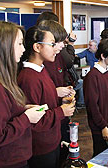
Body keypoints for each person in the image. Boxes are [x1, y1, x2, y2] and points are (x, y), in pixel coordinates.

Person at [0, 21, 46, 168]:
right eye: (19, 44)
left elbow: (3, 115)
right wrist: (26, 118)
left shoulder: (1, 79)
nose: (23, 49)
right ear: (4, 46)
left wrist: (22, 109)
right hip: (4, 162)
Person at [18, 26, 76, 168]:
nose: (56, 48)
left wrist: (61, 101)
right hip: (41, 146)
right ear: (37, 47)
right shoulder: (28, 78)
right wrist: (61, 111)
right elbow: (34, 120)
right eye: (52, 44)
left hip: (52, 139)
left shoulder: (42, 69)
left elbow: (44, 103)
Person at [83, 39, 108, 157]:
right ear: (103, 56)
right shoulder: (92, 76)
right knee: (101, 156)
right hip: (101, 127)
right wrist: (103, 126)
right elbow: (92, 106)